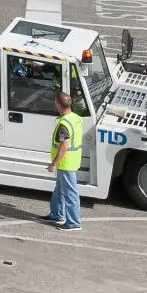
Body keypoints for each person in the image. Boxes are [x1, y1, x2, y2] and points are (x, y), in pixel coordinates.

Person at [48, 90, 83, 230]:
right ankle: (56, 214)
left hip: (65, 162)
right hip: (72, 160)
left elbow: (63, 146)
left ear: (58, 104)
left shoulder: (64, 124)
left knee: (70, 193)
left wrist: (53, 164)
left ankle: (73, 223)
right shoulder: (76, 118)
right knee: (60, 190)